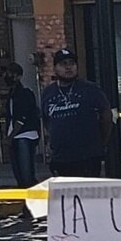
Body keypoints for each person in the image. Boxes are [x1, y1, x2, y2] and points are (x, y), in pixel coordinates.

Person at [41, 48, 112, 177]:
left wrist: (102, 142)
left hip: (88, 157)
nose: (69, 67)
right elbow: (47, 120)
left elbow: (106, 114)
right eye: (63, 64)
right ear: (55, 68)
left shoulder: (90, 89)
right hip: (61, 158)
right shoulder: (48, 92)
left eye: (72, 63)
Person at [0, 62, 40, 188]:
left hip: (24, 135)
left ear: (18, 76)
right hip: (15, 136)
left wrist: (10, 137)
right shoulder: (12, 94)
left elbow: (21, 118)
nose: (7, 76)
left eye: (11, 73)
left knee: (26, 172)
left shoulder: (24, 94)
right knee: (19, 173)